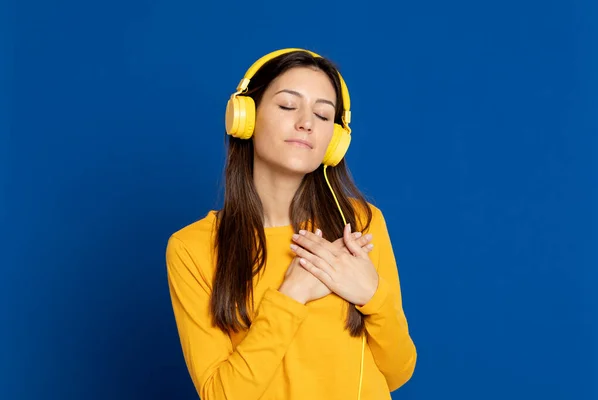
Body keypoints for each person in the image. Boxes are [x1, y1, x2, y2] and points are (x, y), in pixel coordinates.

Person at [165, 48, 417, 400]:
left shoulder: (360, 223)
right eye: (287, 106)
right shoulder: (192, 248)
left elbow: (398, 370)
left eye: (323, 114)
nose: (306, 122)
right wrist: (292, 294)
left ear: (335, 140)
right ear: (245, 117)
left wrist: (371, 295)